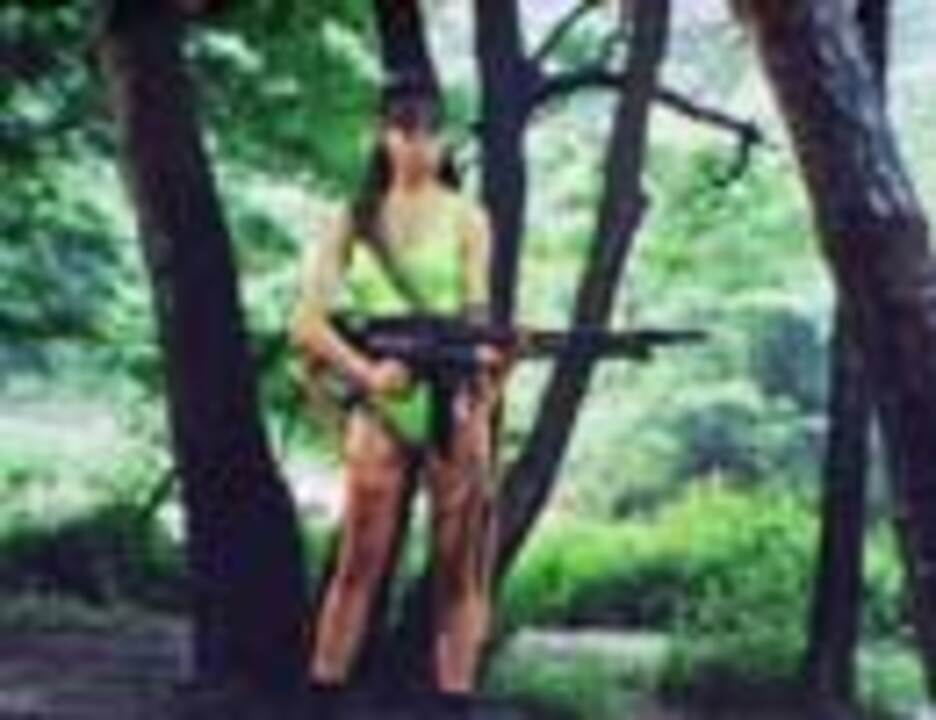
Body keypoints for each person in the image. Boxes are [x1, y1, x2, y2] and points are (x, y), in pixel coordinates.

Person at [289, 75, 511, 693]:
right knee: (356, 567)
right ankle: (323, 696)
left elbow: (476, 315)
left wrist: (492, 356)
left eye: (430, 130)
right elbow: (306, 324)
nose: (417, 143)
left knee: (459, 575)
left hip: (454, 400)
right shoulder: (353, 218)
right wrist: (367, 374)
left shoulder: (469, 218)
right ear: (383, 134)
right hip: (381, 407)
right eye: (405, 128)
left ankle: (455, 701)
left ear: (446, 139)